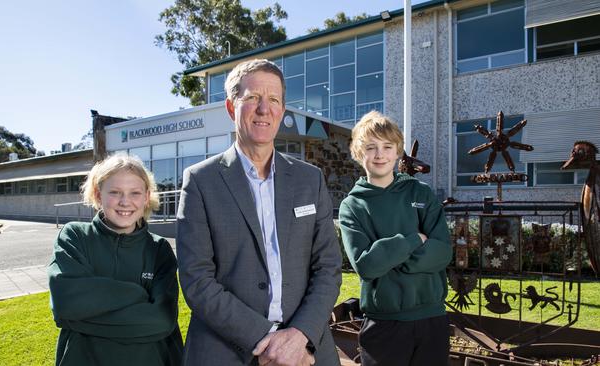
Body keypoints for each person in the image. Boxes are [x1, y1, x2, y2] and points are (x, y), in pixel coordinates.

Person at [177, 58, 342, 366]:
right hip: (226, 350)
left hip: (305, 350)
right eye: (252, 98)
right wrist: (267, 339)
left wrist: (299, 336)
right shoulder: (201, 181)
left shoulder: (310, 179)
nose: (264, 109)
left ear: (282, 109)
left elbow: (329, 267)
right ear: (231, 107)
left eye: (274, 100)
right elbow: (197, 279)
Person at [338, 111, 453, 366]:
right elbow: (367, 266)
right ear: (359, 153)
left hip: (431, 319)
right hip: (384, 324)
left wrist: (391, 257)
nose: (380, 154)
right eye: (371, 147)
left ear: (398, 150)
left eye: (387, 146)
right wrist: (413, 241)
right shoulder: (353, 206)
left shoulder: (419, 192)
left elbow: (443, 252)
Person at [47, 153, 183, 366]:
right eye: (115, 192)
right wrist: (139, 294)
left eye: (135, 193)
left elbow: (162, 320)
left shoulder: (159, 249)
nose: (125, 202)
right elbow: (66, 305)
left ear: (146, 197)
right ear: (98, 194)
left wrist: (83, 318)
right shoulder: (75, 237)